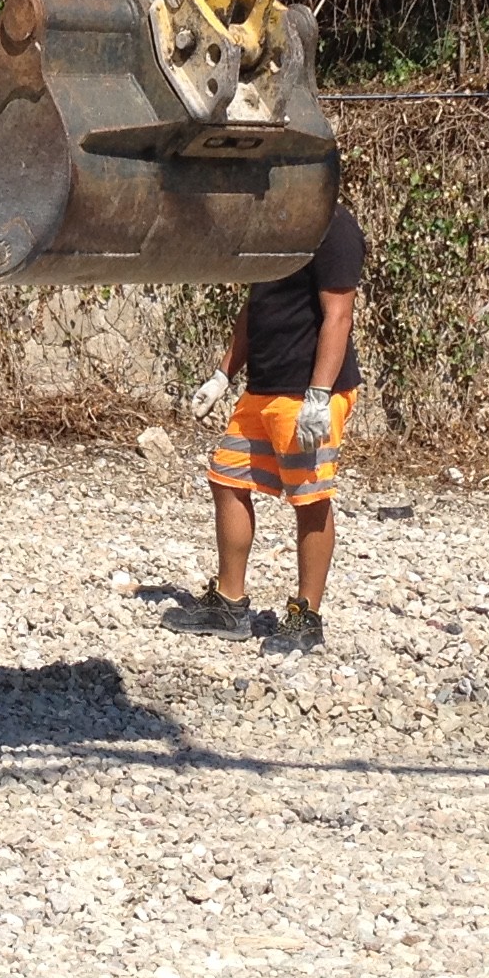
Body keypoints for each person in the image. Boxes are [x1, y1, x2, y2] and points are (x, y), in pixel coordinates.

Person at [188, 200, 366, 650]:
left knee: (309, 497)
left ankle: (306, 616)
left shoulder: (334, 226)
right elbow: (255, 307)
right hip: (262, 386)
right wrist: (222, 374)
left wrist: (320, 397)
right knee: (226, 478)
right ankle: (229, 602)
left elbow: (338, 315)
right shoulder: (273, 225)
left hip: (305, 391)